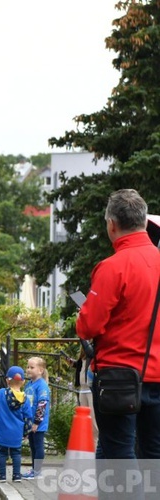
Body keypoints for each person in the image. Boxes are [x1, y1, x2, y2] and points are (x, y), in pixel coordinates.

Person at [76, 189, 160, 461]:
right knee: (154, 453)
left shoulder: (112, 267)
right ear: (145, 222)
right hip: (158, 375)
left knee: (119, 455)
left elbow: (88, 326)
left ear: (112, 224)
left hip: (119, 378)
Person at [23, 356, 50, 479]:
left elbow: (42, 404)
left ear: (41, 370)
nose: (28, 369)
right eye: (28, 367)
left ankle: (37, 471)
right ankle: (34, 469)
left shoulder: (42, 386)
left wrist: (36, 422)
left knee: (38, 445)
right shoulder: (29, 385)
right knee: (33, 445)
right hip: (30, 421)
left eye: (32, 367)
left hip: (38, 423)